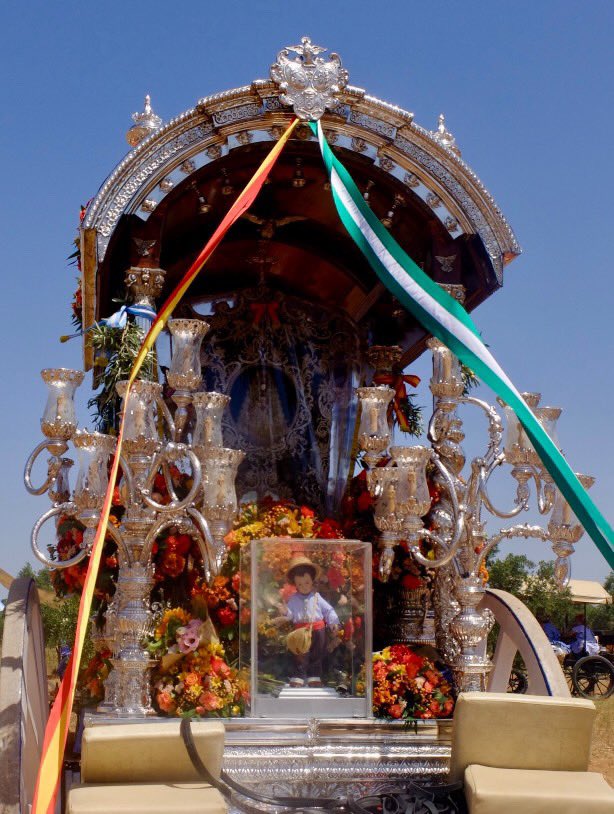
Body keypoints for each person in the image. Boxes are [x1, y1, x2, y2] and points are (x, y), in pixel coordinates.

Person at [283, 555, 340, 688]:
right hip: (300, 631)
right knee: (300, 653)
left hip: (318, 629)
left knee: (317, 653)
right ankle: (299, 676)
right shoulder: (293, 599)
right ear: (295, 584)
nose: (303, 586)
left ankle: (314, 677)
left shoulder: (317, 597)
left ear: (312, 580)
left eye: (307, 582)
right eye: (299, 584)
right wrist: (285, 611)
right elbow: (290, 615)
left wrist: (333, 622)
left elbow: (328, 610)